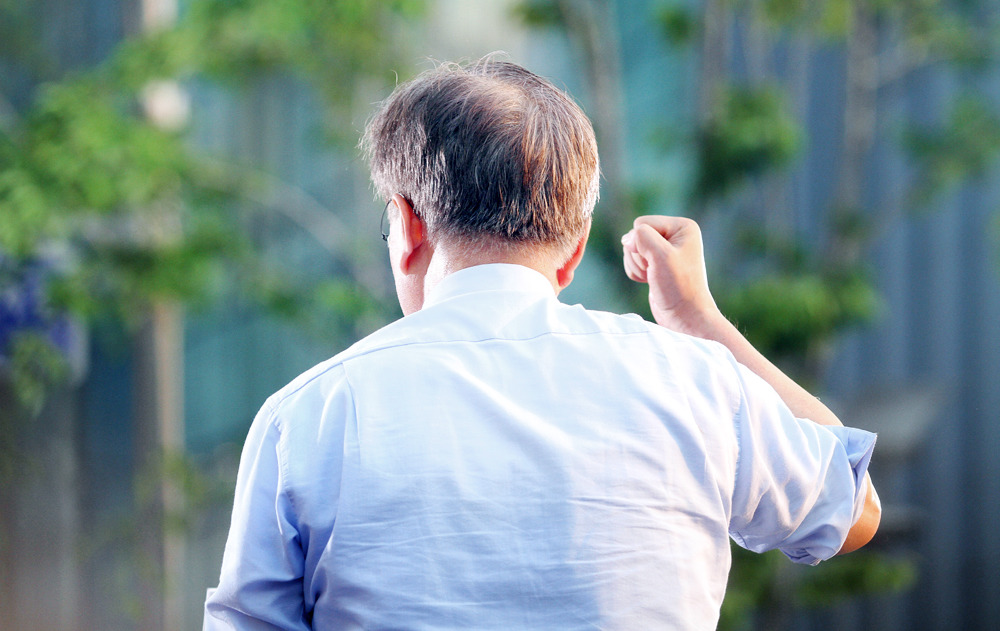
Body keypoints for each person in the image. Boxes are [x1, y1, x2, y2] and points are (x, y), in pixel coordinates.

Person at [204, 57, 880, 630]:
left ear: (406, 226)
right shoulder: (695, 379)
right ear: (574, 251)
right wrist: (702, 322)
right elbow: (854, 510)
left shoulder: (309, 416)